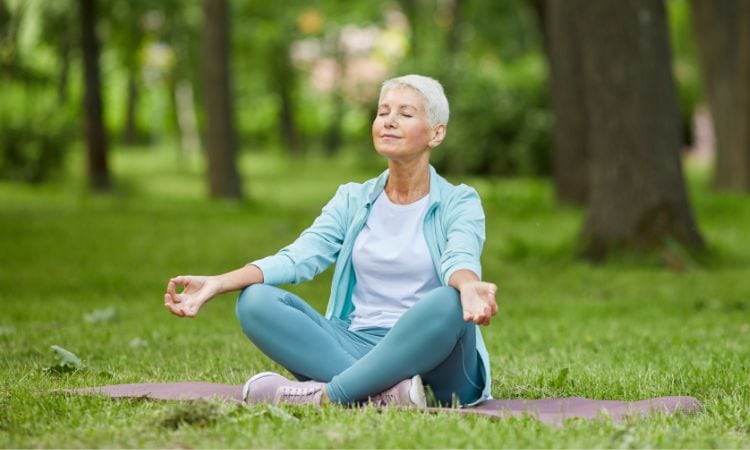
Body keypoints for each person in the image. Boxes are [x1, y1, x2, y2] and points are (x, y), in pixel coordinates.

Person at [164, 74, 498, 408]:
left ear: (436, 133)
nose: (389, 122)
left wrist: (468, 287)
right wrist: (219, 283)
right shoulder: (352, 199)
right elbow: (299, 257)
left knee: (449, 301)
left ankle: (327, 395)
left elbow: (460, 256)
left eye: (405, 114)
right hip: (354, 344)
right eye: (383, 112)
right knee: (254, 301)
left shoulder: (459, 201)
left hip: (438, 358)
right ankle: (387, 394)